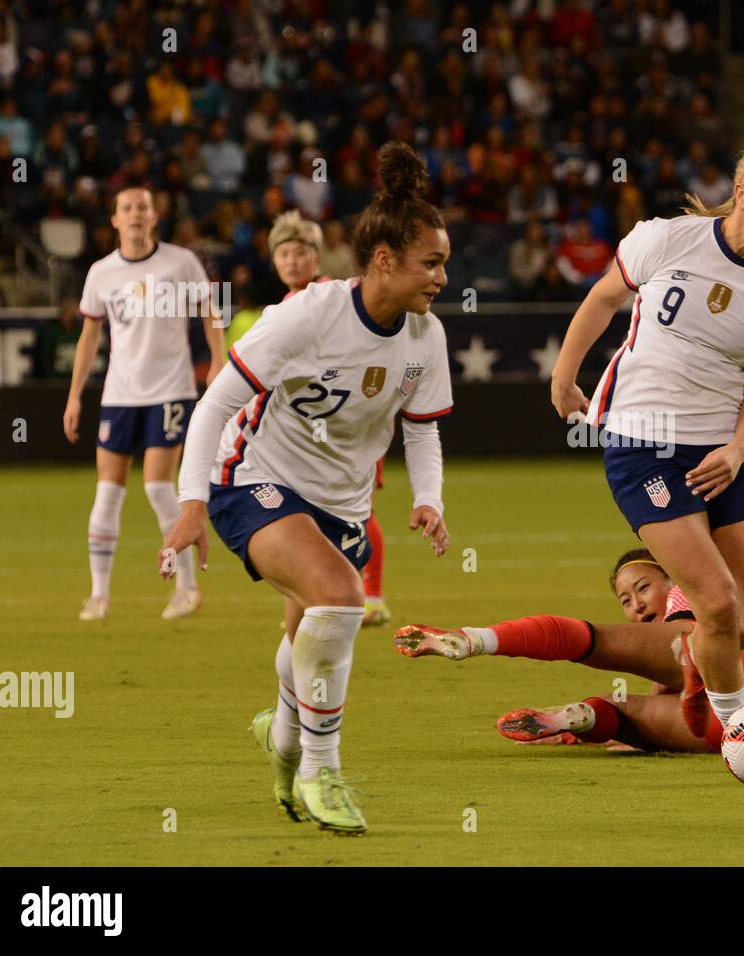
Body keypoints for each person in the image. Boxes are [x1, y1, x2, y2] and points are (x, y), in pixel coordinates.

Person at [160, 143, 454, 834]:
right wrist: (193, 501)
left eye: (444, 262)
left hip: (342, 504)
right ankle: (325, 769)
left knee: (310, 638)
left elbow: (422, 430)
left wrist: (429, 498)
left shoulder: (426, 335)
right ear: (384, 260)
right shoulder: (308, 315)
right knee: (341, 597)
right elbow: (214, 404)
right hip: (254, 479)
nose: (443, 276)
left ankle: (288, 746)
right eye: (432, 262)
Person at [550, 139, 744, 740]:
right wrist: (565, 374)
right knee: (718, 602)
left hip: (720, 453)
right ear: (743, 191)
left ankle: (695, 655)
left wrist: (736, 451)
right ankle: (737, 732)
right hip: (643, 445)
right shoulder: (667, 238)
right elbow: (602, 299)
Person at [394, 549, 744, 753]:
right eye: (626, 600)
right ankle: (580, 718)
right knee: (621, 710)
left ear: (672, 578)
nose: (636, 604)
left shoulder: (690, 588)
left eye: (644, 588)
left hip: (730, 656)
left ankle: (475, 639)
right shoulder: (693, 610)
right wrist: (638, 734)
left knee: (592, 642)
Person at [63, 187, 224, 621]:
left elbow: (212, 310)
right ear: (114, 220)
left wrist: (217, 362)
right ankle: (99, 595)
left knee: (157, 487)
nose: (135, 214)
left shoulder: (180, 262)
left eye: (143, 208)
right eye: (127, 208)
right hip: (120, 394)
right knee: (107, 492)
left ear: (155, 217)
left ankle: (187, 588)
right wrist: (75, 395)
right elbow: (89, 336)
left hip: (170, 391)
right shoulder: (101, 272)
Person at [270, 211, 393, 626]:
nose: (292, 261)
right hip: (310, 431)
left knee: (356, 511)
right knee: (312, 514)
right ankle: (321, 596)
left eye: (300, 252)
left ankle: (370, 597)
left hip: (349, 423)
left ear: (316, 256)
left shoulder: (331, 296)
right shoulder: (288, 304)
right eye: (283, 253)